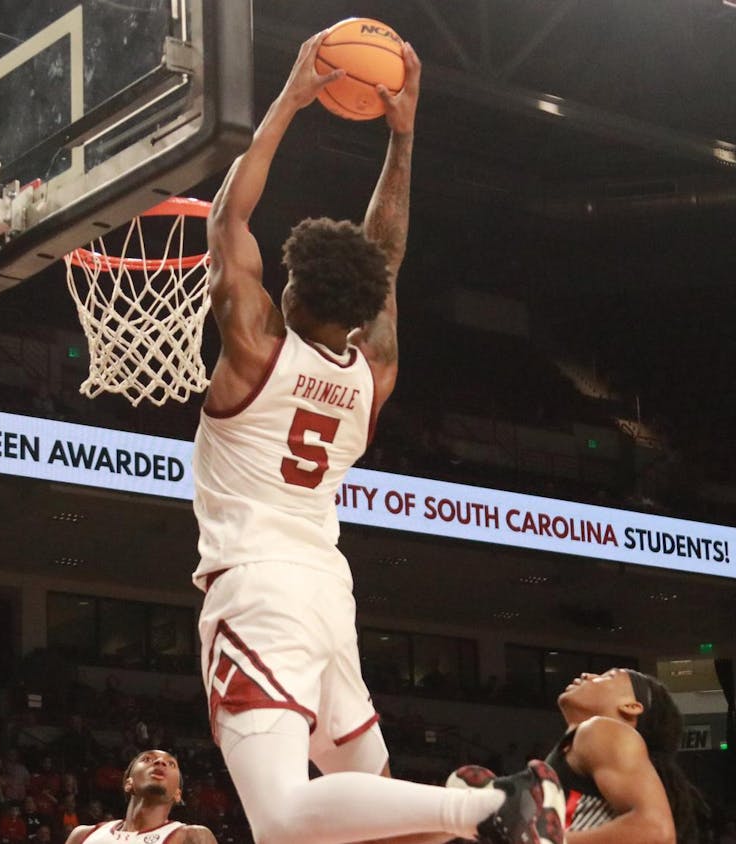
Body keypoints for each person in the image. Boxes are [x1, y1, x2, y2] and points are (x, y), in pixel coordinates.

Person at [190, 27, 559, 844]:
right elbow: (385, 251)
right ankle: (468, 820)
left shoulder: (254, 348)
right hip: (325, 595)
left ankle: (491, 804)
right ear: (361, 312)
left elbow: (229, 216)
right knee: (380, 816)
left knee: (283, 820)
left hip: (259, 589)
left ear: (288, 288)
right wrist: (404, 131)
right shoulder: (373, 374)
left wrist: (290, 95)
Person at [542, 667, 707, 842]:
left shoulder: (600, 731)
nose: (586, 675)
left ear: (631, 706)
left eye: (608, 676)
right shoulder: (581, 746)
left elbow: (654, 832)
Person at [62, 750, 211, 844]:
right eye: (147, 759)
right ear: (128, 783)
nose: (160, 762)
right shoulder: (83, 835)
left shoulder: (192, 837)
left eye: (171, 764)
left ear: (177, 794)